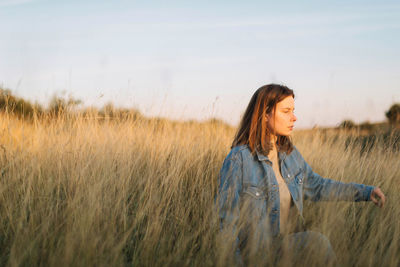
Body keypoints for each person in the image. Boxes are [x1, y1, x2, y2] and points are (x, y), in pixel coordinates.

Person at [217, 84, 386, 266]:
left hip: (282, 248)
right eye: (286, 111)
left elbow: (319, 186)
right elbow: (225, 226)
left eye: (293, 111)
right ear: (265, 114)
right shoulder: (239, 159)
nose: (294, 117)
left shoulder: (289, 154)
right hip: (256, 257)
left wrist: (366, 192)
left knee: (318, 243)